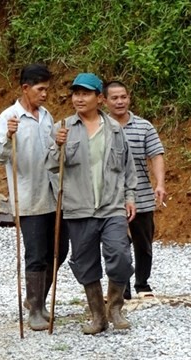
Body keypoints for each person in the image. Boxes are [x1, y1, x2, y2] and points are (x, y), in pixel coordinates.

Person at [46, 73, 137, 334]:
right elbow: (51, 166)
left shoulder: (115, 129)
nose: (79, 98)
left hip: (111, 207)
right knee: (85, 263)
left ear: (99, 98)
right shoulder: (62, 127)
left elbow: (127, 168)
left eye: (85, 93)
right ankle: (98, 316)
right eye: (76, 93)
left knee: (120, 255)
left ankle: (116, 307)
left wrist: (130, 198)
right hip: (78, 208)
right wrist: (57, 145)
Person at [0, 63, 70, 331]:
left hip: (52, 193)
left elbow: (51, 156)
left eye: (47, 89)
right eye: (41, 89)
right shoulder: (8, 117)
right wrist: (7, 135)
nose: (45, 94)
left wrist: (58, 144)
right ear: (25, 88)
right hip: (28, 196)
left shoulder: (46, 116)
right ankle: (35, 308)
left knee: (59, 250)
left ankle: (38, 298)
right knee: (36, 254)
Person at [103, 81, 167, 300]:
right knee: (118, 244)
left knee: (144, 243)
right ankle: (122, 288)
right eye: (114, 98)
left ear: (129, 98)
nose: (120, 102)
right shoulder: (100, 127)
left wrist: (160, 184)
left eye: (123, 97)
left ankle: (142, 284)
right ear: (104, 101)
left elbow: (156, 155)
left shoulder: (144, 126)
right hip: (111, 197)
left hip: (142, 195)